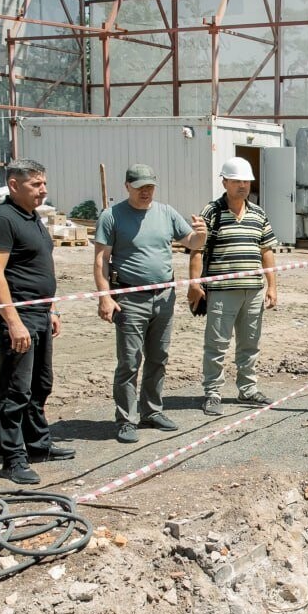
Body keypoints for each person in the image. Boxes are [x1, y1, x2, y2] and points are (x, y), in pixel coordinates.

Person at [94, 164, 207, 443]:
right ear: (127, 186)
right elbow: (101, 260)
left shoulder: (166, 213)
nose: (146, 192)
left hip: (164, 296)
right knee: (129, 361)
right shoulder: (112, 216)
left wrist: (201, 233)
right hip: (130, 298)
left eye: (150, 187)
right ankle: (126, 419)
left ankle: (152, 411)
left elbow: (192, 242)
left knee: (158, 357)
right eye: (140, 187)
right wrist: (105, 296)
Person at [0, 159, 74, 485]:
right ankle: (12, 457)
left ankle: (37, 444)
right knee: (15, 390)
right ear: (14, 185)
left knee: (40, 385)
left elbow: (39, 268)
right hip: (17, 317)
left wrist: (52, 310)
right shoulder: (0, 221)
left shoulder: (32, 218)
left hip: (40, 315)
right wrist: (14, 322)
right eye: (35, 184)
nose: (43, 190)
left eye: (44, 183)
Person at [187, 157, 279, 416]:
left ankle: (247, 389)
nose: (242, 185)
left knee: (250, 343)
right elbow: (196, 250)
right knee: (216, 344)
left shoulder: (258, 214)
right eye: (237, 181)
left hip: (253, 290)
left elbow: (267, 251)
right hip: (222, 291)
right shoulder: (211, 213)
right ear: (224, 181)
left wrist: (272, 286)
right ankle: (213, 392)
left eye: (246, 181)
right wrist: (195, 284)